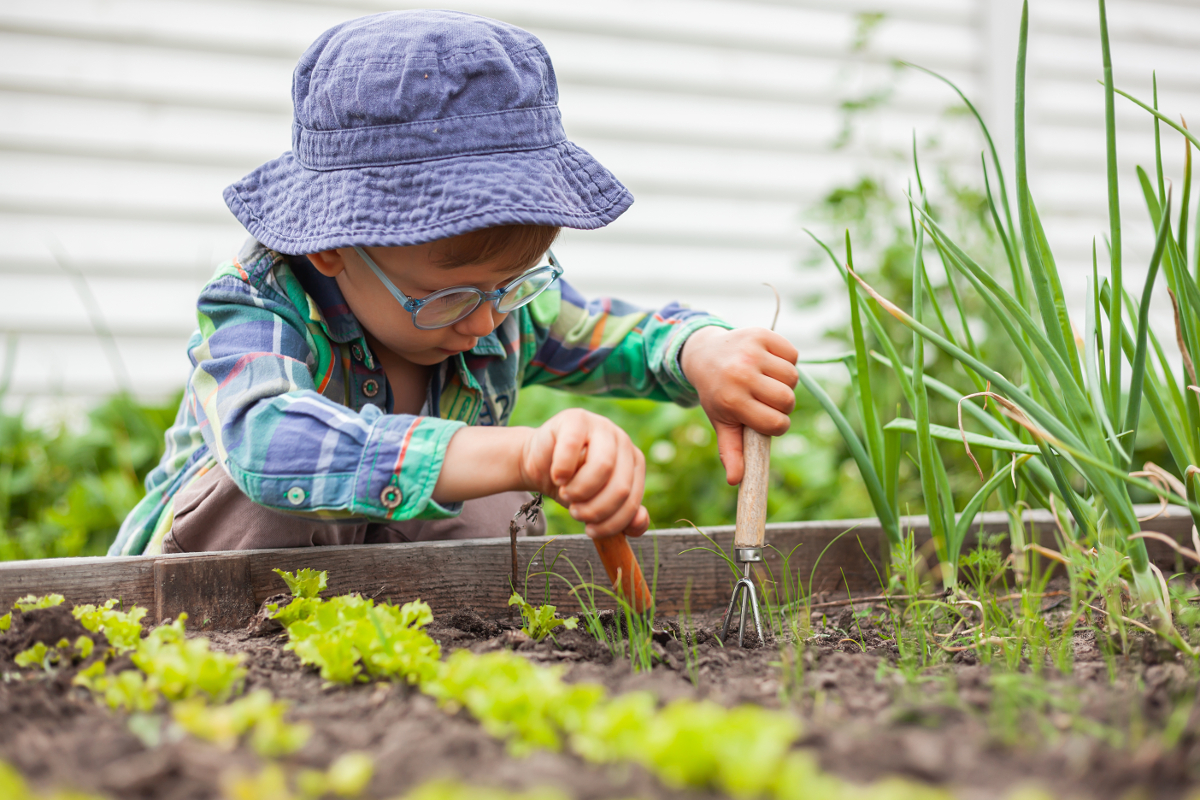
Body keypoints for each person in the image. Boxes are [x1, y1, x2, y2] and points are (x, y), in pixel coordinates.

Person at [109, 9, 799, 557]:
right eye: (452, 296)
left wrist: (700, 351)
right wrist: (520, 451)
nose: (485, 320)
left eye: (512, 285)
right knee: (265, 493)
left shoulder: (497, 306)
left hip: (399, 612)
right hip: (201, 605)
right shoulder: (259, 302)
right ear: (332, 250)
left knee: (490, 500)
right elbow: (266, 440)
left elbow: (615, 336)